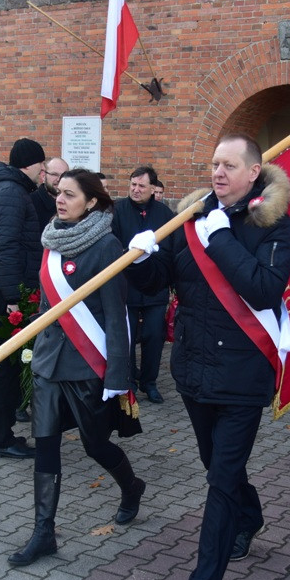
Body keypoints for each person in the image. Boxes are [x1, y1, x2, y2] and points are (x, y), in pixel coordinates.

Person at [127, 134, 290, 580]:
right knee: (215, 465)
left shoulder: (274, 226)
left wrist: (220, 237)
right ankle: (252, 516)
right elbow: (164, 282)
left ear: (253, 172)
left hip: (243, 376)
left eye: (228, 165)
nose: (217, 173)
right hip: (194, 372)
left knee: (220, 481)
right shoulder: (191, 218)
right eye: (214, 164)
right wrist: (143, 261)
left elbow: (264, 291)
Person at [9, 169, 147, 567]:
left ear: (91, 202)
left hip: (87, 364)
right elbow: (45, 306)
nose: (60, 199)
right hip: (50, 363)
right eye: (58, 192)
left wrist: (118, 375)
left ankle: (132, 486)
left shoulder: (107, 247)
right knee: (46, 444)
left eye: (70, 194)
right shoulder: (52, 239)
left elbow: (116, 316)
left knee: (95, 445)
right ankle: (43, 533)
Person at [0, 138, 46, 460]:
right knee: (4, 366)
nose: (44, 172)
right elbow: (7, 248)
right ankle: (0, 438)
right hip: (4, 292)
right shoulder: (11, 193)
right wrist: (13, 298)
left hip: (1, 289)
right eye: (42, 166)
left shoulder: (9, 189)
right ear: (29, 165)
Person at [112, 165, 173, 403]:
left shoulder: (164, 214)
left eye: (141, 186)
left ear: (153, 188)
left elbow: (170, 248)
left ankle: (150, 381)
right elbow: (112, 245)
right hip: (126, 286)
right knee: (126, 337)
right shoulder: (117, 210)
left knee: (153, 336)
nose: (136, 190)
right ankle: (129, 380)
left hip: (155, 288)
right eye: (133, 185)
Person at [17, 156, 70, 424]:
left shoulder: (67, 204)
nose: (58, 182)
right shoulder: (32, 202)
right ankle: (23, 400)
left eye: (64, 177)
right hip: (34, 278)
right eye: (54, 175)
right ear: (43, 176)